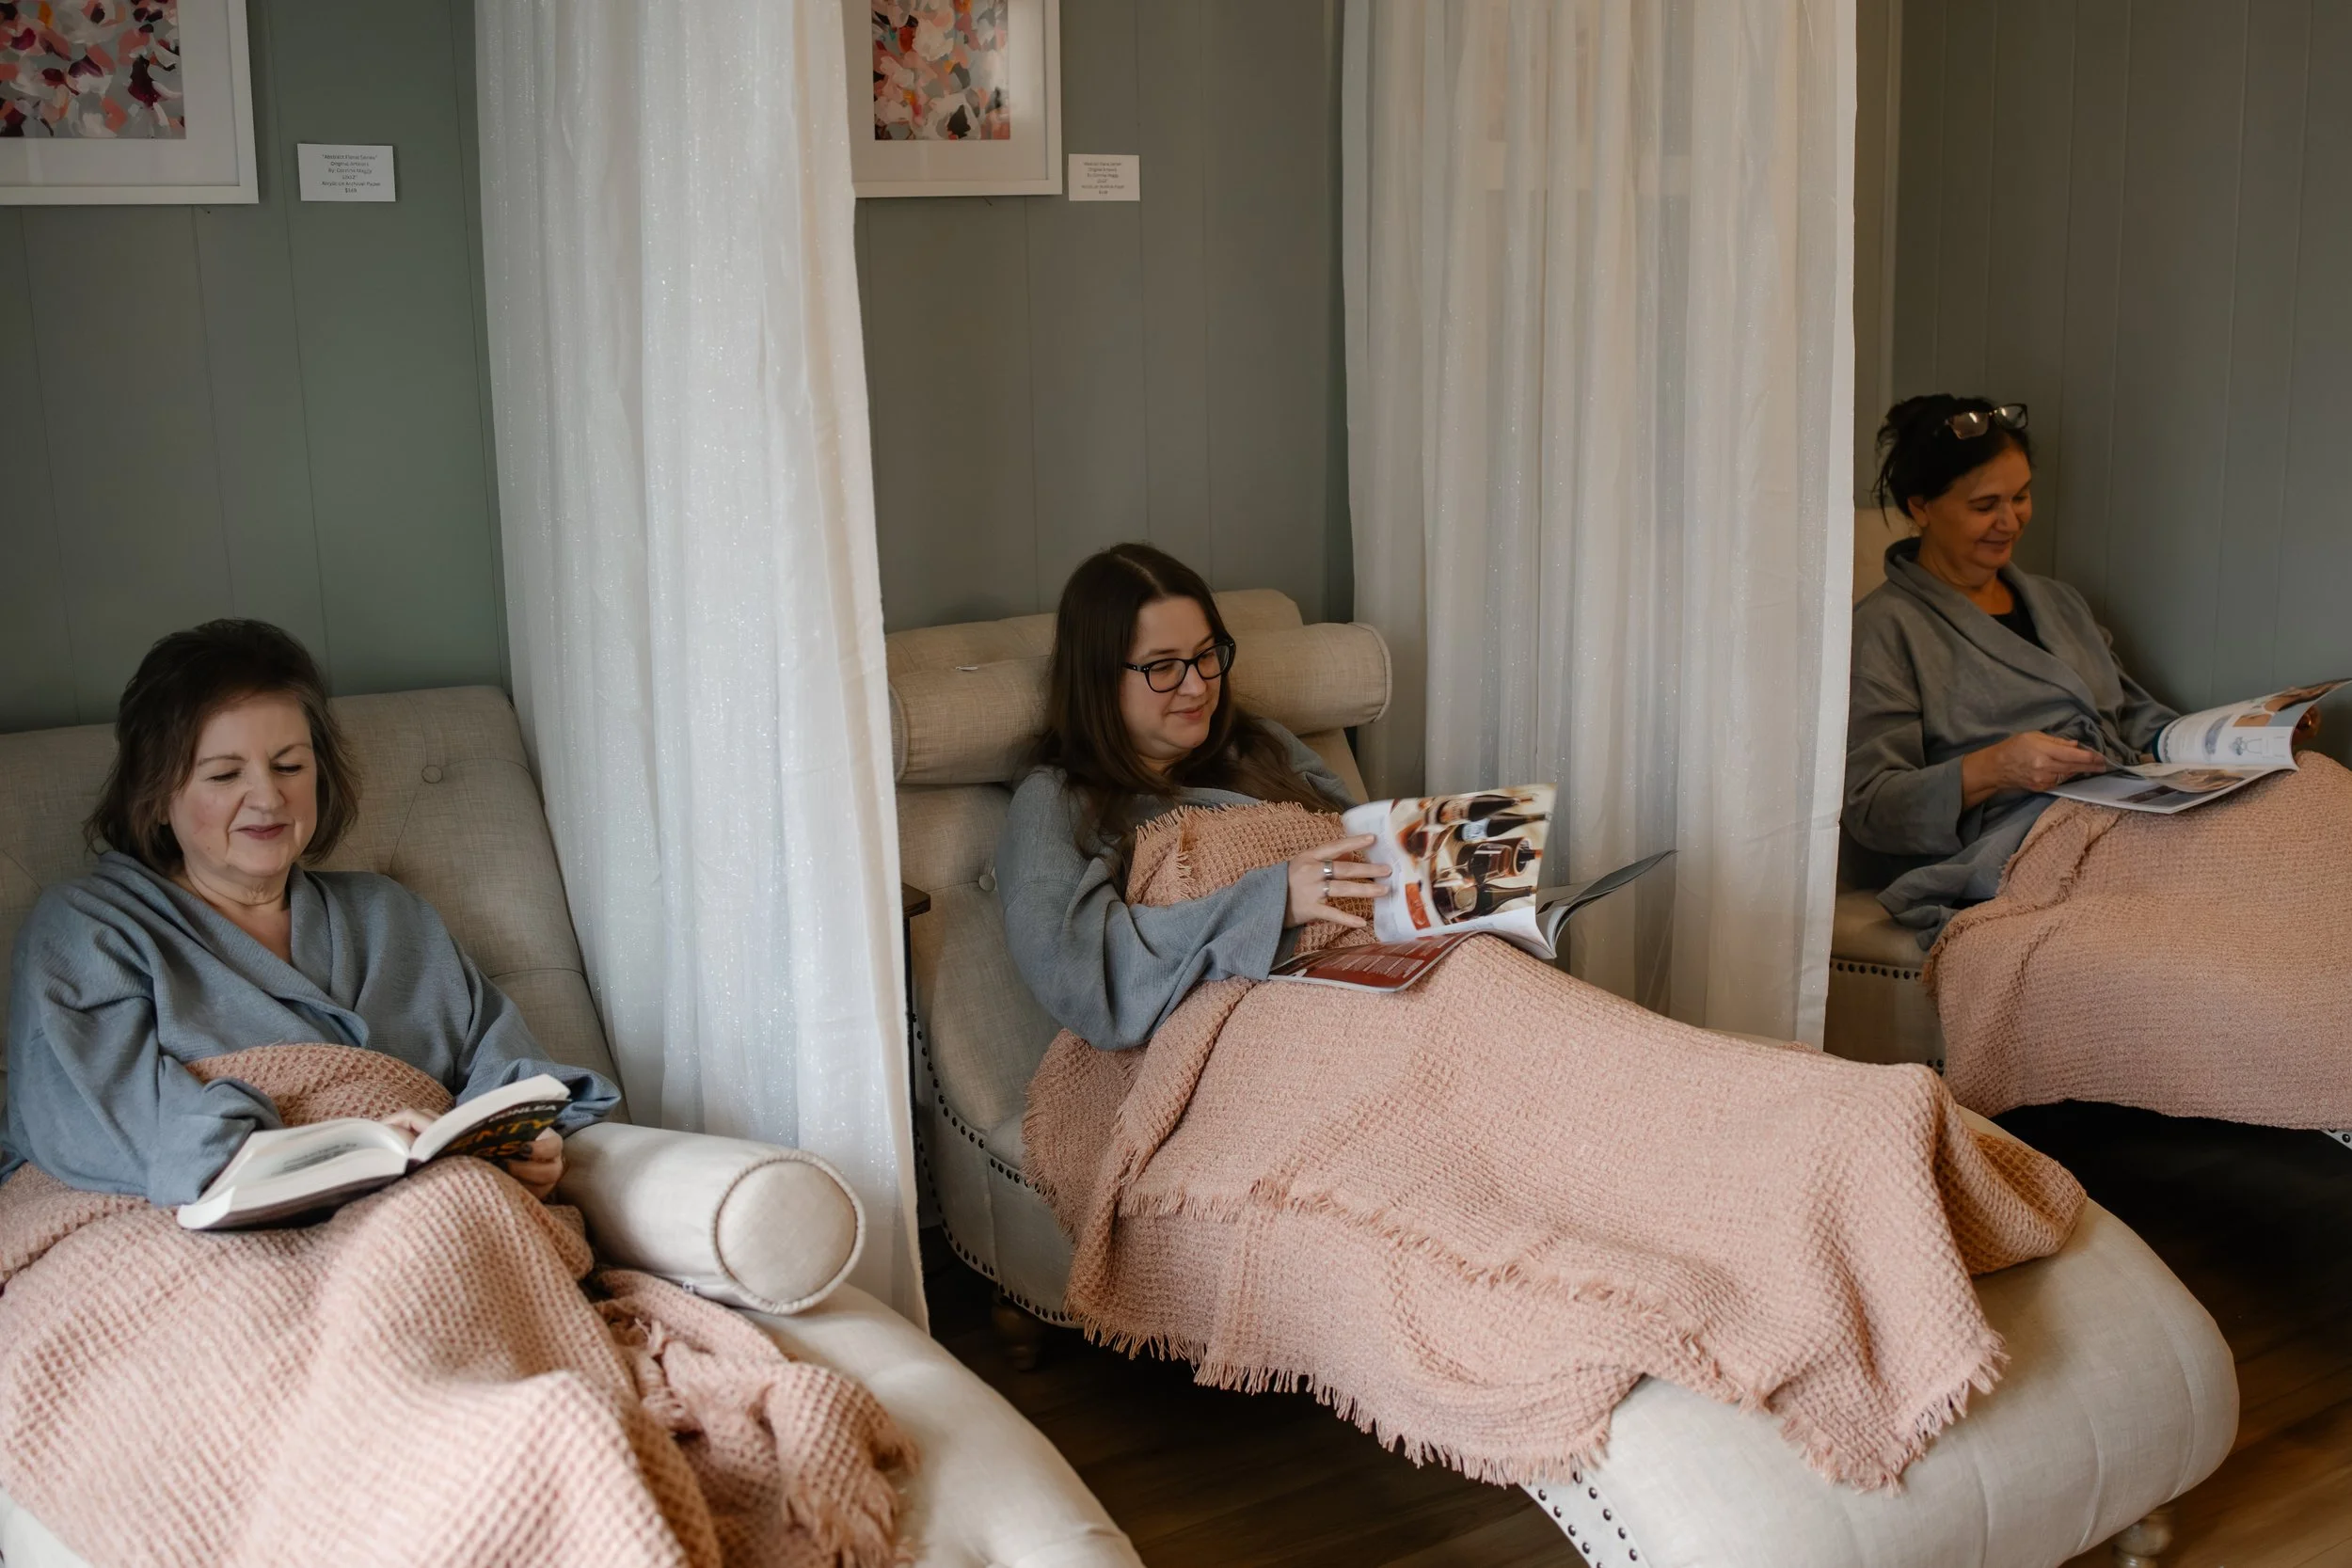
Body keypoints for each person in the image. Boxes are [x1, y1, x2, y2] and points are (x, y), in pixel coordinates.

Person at [2, 620, 618, 1208]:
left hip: (433, 1199)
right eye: (225, 774)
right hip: (197, 1222)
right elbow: (96, 1116)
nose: (268, 797)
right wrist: (326, 1152)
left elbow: (507, 1070)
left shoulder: (390, 916)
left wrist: (525, 1143)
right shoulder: (88, 930)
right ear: (159, 796)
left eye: (289, 766)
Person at [996, 543, 1391, 1049]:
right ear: (1097, 678)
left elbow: (1370, 851)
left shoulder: (1261, 745)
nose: (1198, 686)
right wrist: (1273, 902)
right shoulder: (1056, 802)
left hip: (1372, 969)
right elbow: (1082, 979)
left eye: (1206, 655)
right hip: (1254, 1035)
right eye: (1163, 667)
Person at [1845, 395, 2195, 944]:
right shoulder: (1884, 629)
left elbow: (2137, 721)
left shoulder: (2061, 603)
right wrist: (1996, 767)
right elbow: (1872, 808)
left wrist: (2253, 735)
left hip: (2122, 807)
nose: (2010, 522)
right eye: (1985, 505)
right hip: (2015, 845)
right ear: (1922, 507)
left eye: (2021, 497)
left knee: (2305, 788)